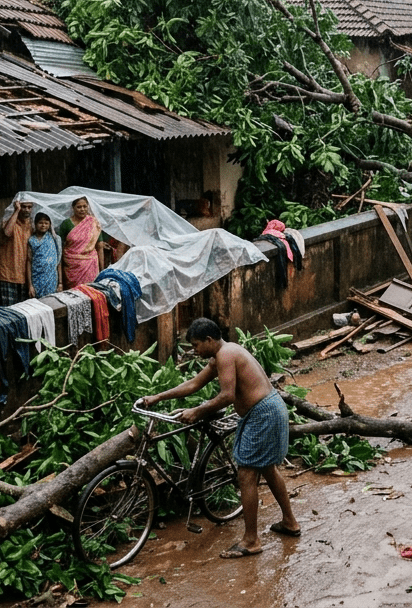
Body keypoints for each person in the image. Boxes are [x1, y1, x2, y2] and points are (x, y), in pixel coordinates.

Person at [137, 318, 300, 558]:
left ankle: (251, 540)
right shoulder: (222, 354)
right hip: (266, 410)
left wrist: (198, 411)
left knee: (246, 474)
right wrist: (157, 397)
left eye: (196, 345)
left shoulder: (226, 355)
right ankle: (289, 522)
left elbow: (226, 396)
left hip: (262, 413)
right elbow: (194, 384)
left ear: (209, 341)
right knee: (267, 468)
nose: (195, 351)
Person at [59, 196, 110, 287]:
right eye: (79, 207)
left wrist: (102, 270)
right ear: (73, 208)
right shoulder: (66, 224)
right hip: (71, 265)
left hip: (90, 264)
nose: (82, 209)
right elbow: (60, 247)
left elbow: (99, 247)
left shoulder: (93, 223)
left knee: (90, 292)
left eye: (84, 206)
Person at [0, 199, 33, 307]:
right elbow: (7, 233)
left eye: (29, 207)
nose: (26, 210)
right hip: (8, 273)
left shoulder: (31, 225)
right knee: (7, 311)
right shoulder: (8, 221)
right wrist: (16, 211)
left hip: (24, 275)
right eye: (24, 206)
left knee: (22, 311)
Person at [27, 212, 62, 298]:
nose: (43, 225)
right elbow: (29, 262)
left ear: (50, 225)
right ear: (35, 224)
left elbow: (59, 261)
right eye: (40, 223)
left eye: (46, 223)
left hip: (52, 279)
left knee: (52, 303)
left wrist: (60, 283)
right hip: (36, 279)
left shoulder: (54, 239)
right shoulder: (31, 240)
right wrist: (30, 285)